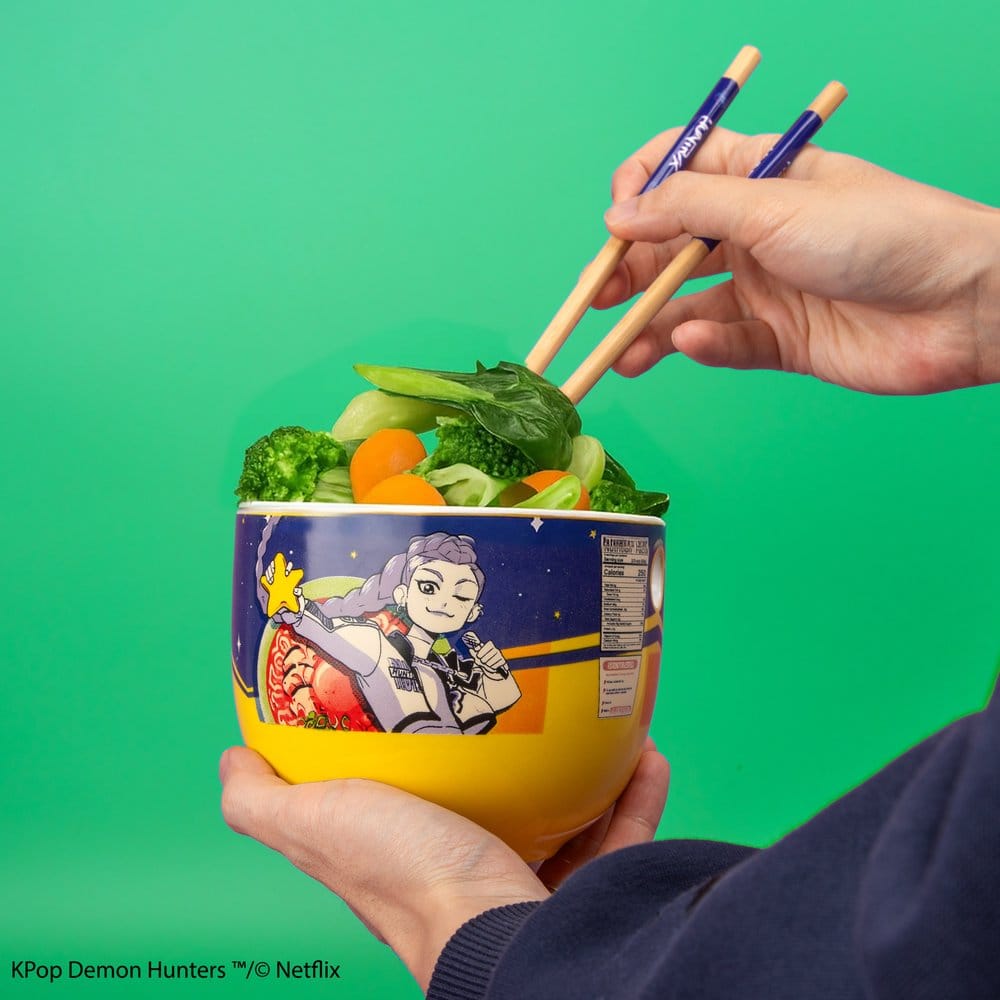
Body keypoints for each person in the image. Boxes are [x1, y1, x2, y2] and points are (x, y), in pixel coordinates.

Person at [219, 127, 1000, 998]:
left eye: (461, 590)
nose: (447, 601)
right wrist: (980, 288)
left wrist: (483, 929)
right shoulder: (379, 637)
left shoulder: (468, 656)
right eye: (433, 585)